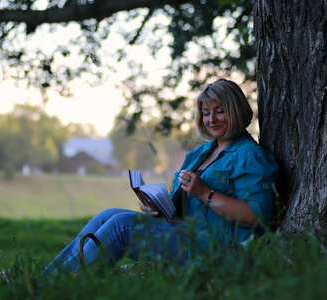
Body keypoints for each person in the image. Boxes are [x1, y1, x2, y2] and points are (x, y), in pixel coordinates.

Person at [41, 78, 279, 277]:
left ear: (236, 111)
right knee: (109, 214)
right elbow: (191, 209)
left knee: (122, 226)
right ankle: (46, 277)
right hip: (186, 233)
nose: (211, 120)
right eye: (206, 113)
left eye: (220, 111)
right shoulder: (201, 153)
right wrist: (164, 210)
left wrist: (205, 193)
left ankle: (58, 282)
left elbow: (256, 215)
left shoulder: (250, 155)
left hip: (214, 248)